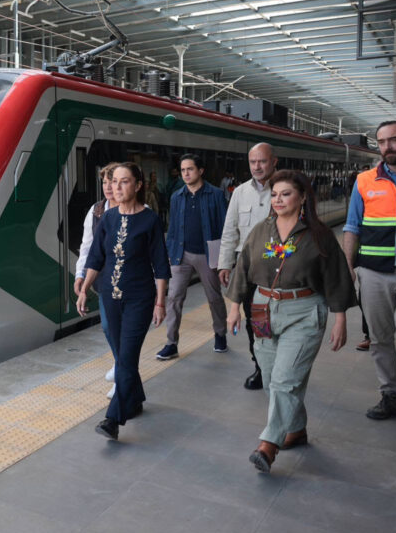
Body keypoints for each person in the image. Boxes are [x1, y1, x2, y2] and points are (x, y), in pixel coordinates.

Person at [226, 170, 354, 472]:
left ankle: (268, 445)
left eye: (285, 194)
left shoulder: (319, 235)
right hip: (262, 308)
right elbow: (242, 268)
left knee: (286, 379)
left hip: (304, 310)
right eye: (274, 195)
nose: (278, 200)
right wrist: (234, 308)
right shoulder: (261, 231)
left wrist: (340, 319)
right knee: (270, 378)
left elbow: (336, 277)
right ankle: (295, 430)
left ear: (303, 197)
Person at [342, 120, 396, 431]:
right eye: (381, 142)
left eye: (393, 140)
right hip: (373, 273)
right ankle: (390, 394)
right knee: (380, 339)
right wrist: (349, 266)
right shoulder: (365, 180)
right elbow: (352, 226)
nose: (387, 147)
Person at [77, 163, 170, 441]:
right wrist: (85, 288)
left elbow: (160, 265)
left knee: (127, 357)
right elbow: (96, 258)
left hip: (139, 299)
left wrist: (160, 302)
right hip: (110, 298)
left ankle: (113, 418)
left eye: (124, 181)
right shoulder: (107, 218)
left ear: (138, 185)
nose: (116, 187)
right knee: (122, 356)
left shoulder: (150, 220)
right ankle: (135, 398)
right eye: (114, 181)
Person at [156, 154, 228, 361]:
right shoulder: (177, 197)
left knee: (214, 297)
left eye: (190, 169)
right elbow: (172, 228)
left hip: (208, 254)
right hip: (181, 254)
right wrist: (169, 254)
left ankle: (220, 334)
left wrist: (224, 259)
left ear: (200, 171)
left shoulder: (215, 194)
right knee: (174, 298)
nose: (186, 173)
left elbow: (225, 227)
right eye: (183, 170)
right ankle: (171, 343)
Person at [218, 143, 278, 390]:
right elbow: (230, 229)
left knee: (278, 319)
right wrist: (224, 264)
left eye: (262, 161)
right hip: (249, 270)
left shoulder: (287, 188)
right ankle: (261, 366)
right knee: (255, 320)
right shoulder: (240, 192)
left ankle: (280, 365)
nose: (257, 166)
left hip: (280, 270)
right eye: (253, 162)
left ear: (274, 162)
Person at [74, 162, 120, 398]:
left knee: (123, 329)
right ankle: (120, 364)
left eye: (113, 182)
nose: (108, 187)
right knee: (108, 326)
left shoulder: (136, 209)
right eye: (105, 182)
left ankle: (122, 374)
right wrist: (80, 274)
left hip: (129, 280)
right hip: (103, 279)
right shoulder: (96, 210)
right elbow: (87, 247)